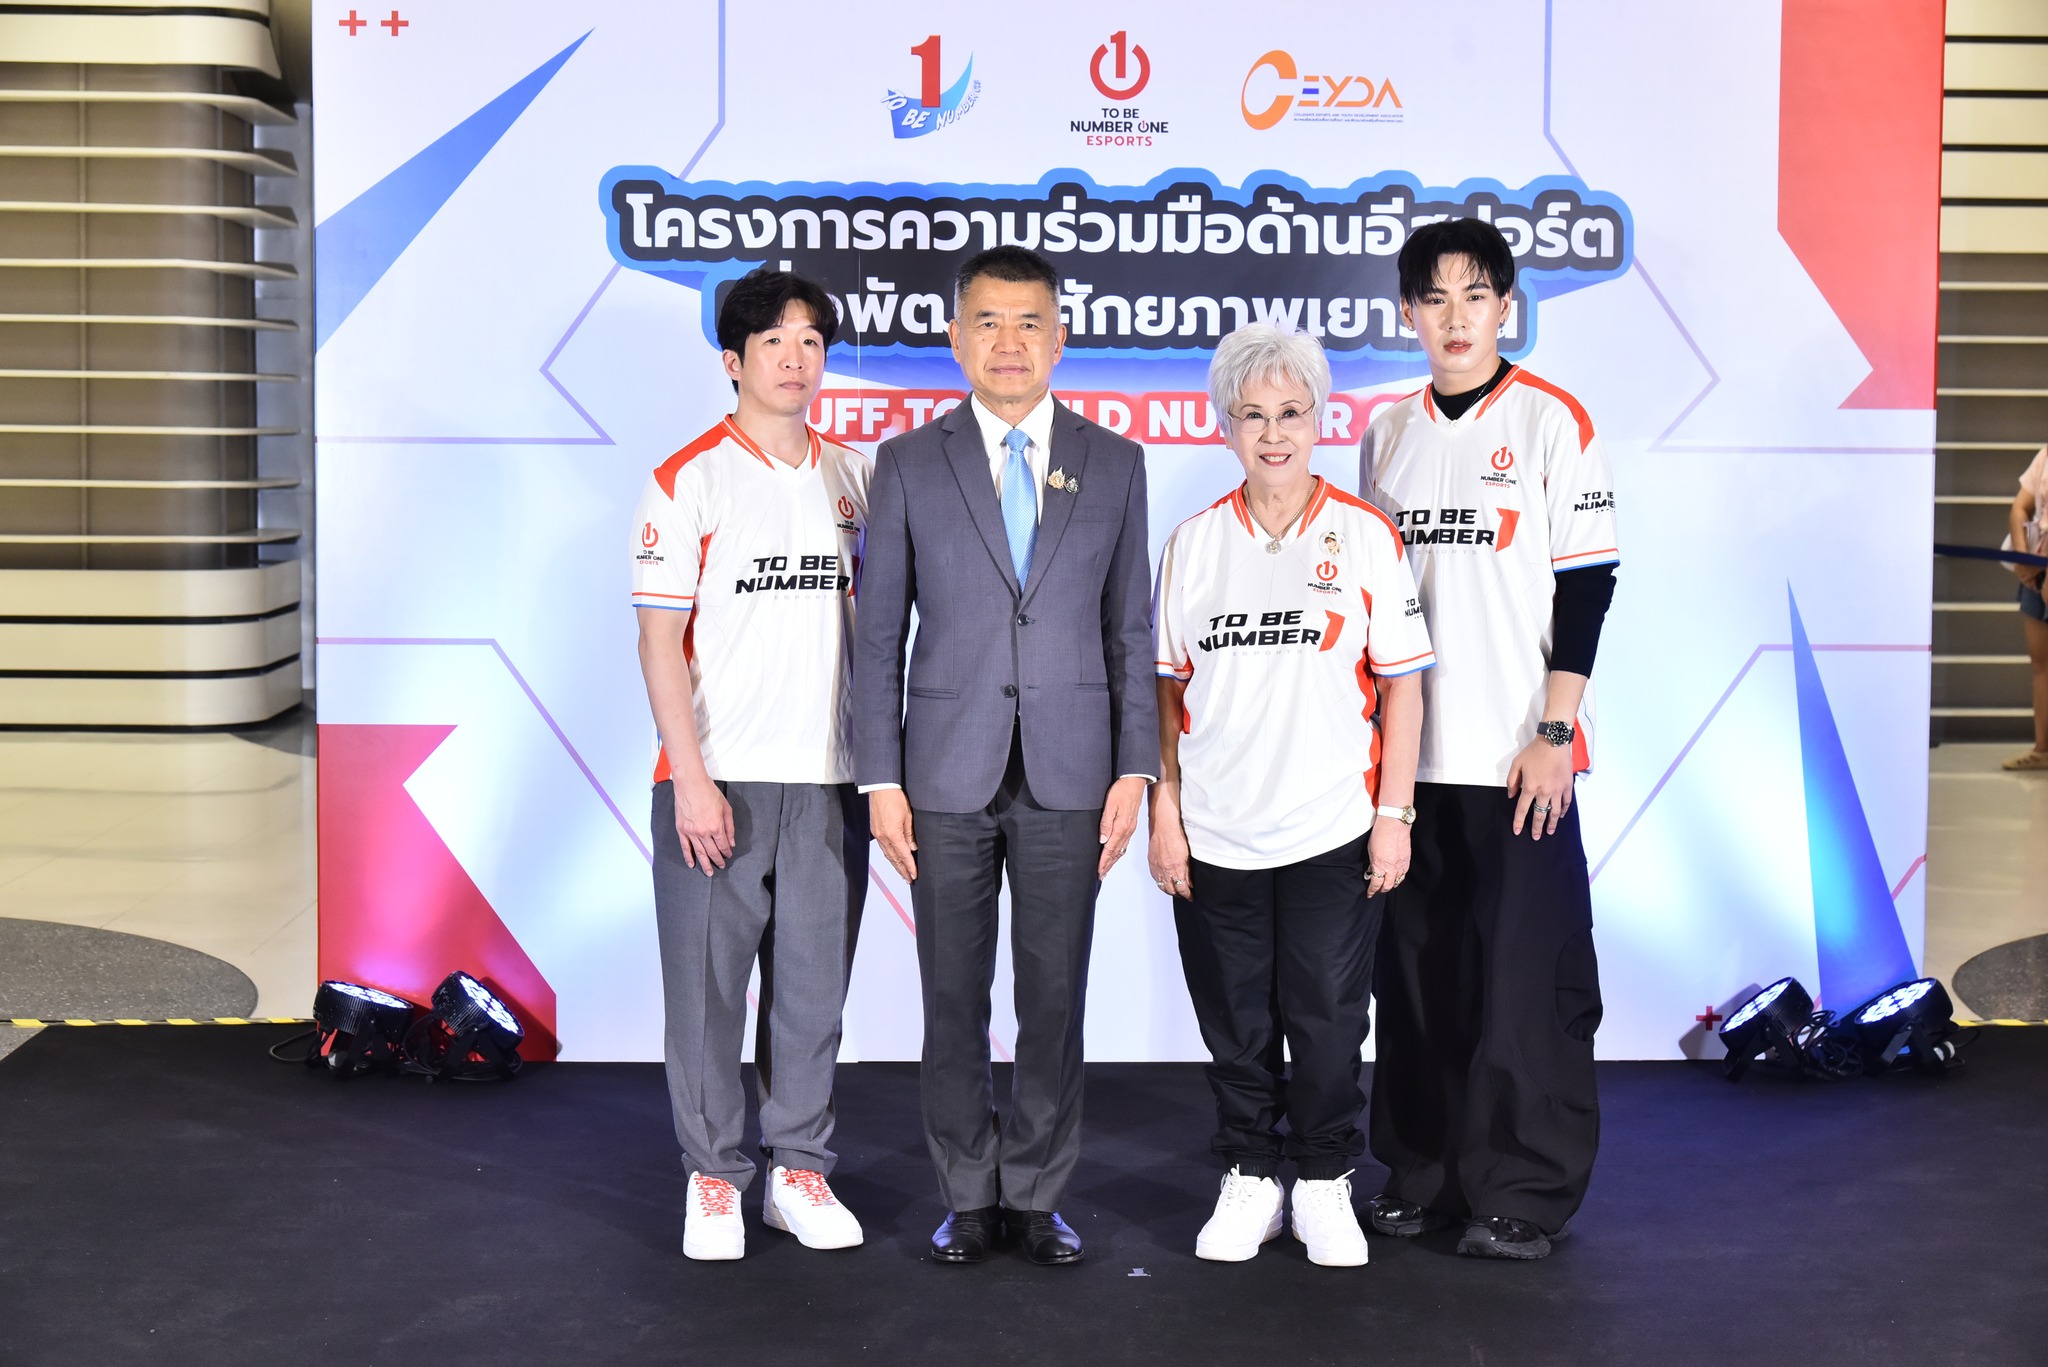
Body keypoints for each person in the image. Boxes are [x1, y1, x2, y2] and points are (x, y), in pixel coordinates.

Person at [853, 245, 1158, 1267]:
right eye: (988, 321)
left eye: (1029, 321)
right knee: (950, 995)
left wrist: (1135, 767)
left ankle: (1034, 1193)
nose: (1009, 341)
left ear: (1059, 338)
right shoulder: (908, 461)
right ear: (955, 338)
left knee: (1053, 996)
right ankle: (966, 1193)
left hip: (1074, 771)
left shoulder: (1114, 462)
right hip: (941, 771)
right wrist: (880, 776)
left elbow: (1129, 629)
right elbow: (876, 636)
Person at [1357, 218, 1620, 1261]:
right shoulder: (1388, 434)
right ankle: (1423, 1174)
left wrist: (1554, 729)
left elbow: (1587, 586)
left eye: (1475, 296)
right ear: (1408, 314)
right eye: (1434, 298)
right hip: (1409, 767)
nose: (1455, 318)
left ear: (1507, 306)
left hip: (1519, 760)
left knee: (1525, 989)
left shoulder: (1552, 420)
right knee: (1418, 984)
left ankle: (1522, 1190)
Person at [1149, 325, 1433, 1267]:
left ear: (1321, 419)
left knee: (1326, 1019)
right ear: (1225, 425)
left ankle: (1321, 1178)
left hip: (1332, 827)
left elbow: (1402, 686)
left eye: (1291, 413)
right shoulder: (1192, 546)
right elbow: (1165, 693)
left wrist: (1394, 815)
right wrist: (1164, 811)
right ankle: (1249, 1176)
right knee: (1235, 1021)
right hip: (1215, 830)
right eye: (1253, 415)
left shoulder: (1365, 536)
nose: (1274, 433)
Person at [629, 268, 872, 1261]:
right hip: (716, 778)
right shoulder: (687, 478)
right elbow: (657, 641)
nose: (794, 358)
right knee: (707, 993)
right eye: (773, 341)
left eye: (810, 340)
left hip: (829, 778)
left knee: (812, 992)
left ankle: (798, 1168)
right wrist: (691, 779)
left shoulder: (854, 477)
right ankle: (713, 1176)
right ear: (733, 361)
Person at [2001, 444, 2048, 771]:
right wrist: (2023, 558)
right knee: (2040, 664)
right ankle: (2042, 750)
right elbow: (2020, 507)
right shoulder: (2044, 455)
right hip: (2035, 571)